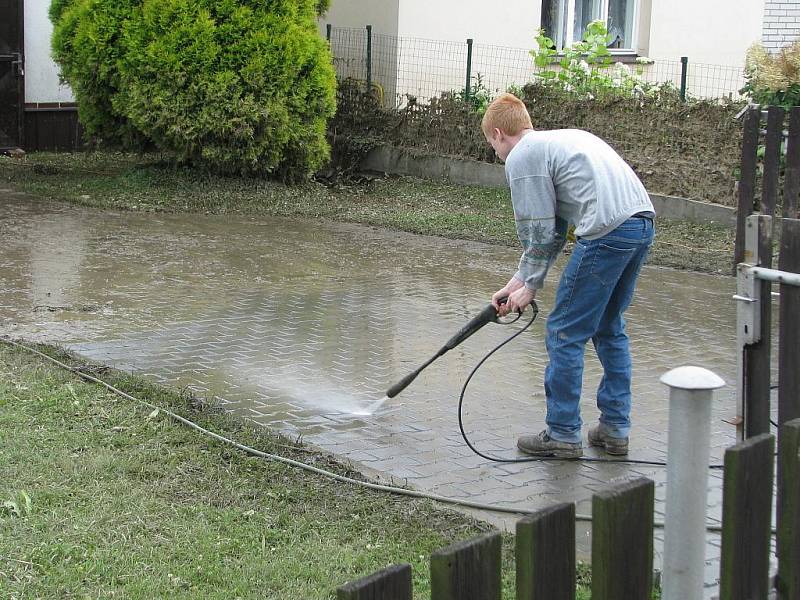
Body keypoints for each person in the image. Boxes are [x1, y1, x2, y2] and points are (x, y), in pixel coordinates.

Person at [483, 93, 655, 459]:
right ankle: (614, 429)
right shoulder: (561, 140)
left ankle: (562, 432)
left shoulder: (523, 156)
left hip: (607, 231)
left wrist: (529, 287)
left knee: (564, 331)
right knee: (609, 326)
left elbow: (539, 231)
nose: (496, 153)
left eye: (492, 145)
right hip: (640, 224)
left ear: (499, 133)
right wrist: (518, 281)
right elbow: (556, 230)